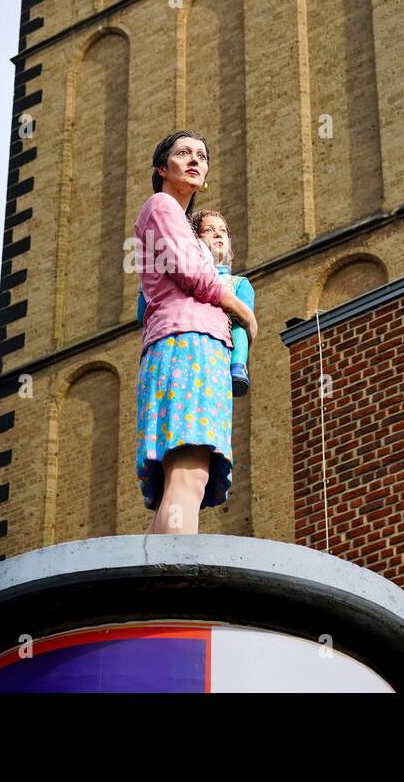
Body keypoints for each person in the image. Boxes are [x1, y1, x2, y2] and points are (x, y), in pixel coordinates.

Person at [133, 131, 258, 535]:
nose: (194, 160)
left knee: (187, 480)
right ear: (161, 168)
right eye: (182, 153)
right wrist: (240, 309)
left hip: (197, 346)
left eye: (201, 155)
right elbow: (190, 271)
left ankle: (147, 588)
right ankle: (173, 584)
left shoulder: (180, 222)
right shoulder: (161, 205)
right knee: (189, 475)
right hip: (187, 343)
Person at [138, 209, 255, 396]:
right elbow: (142, 314)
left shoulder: (238, 283)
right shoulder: (184, 277)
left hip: (222, 341)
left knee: (239, 325)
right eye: (208, 230)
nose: (218, 234)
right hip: (189, 340)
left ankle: (238, 366)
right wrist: (147, 284)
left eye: (223, 231)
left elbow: (247, 319)